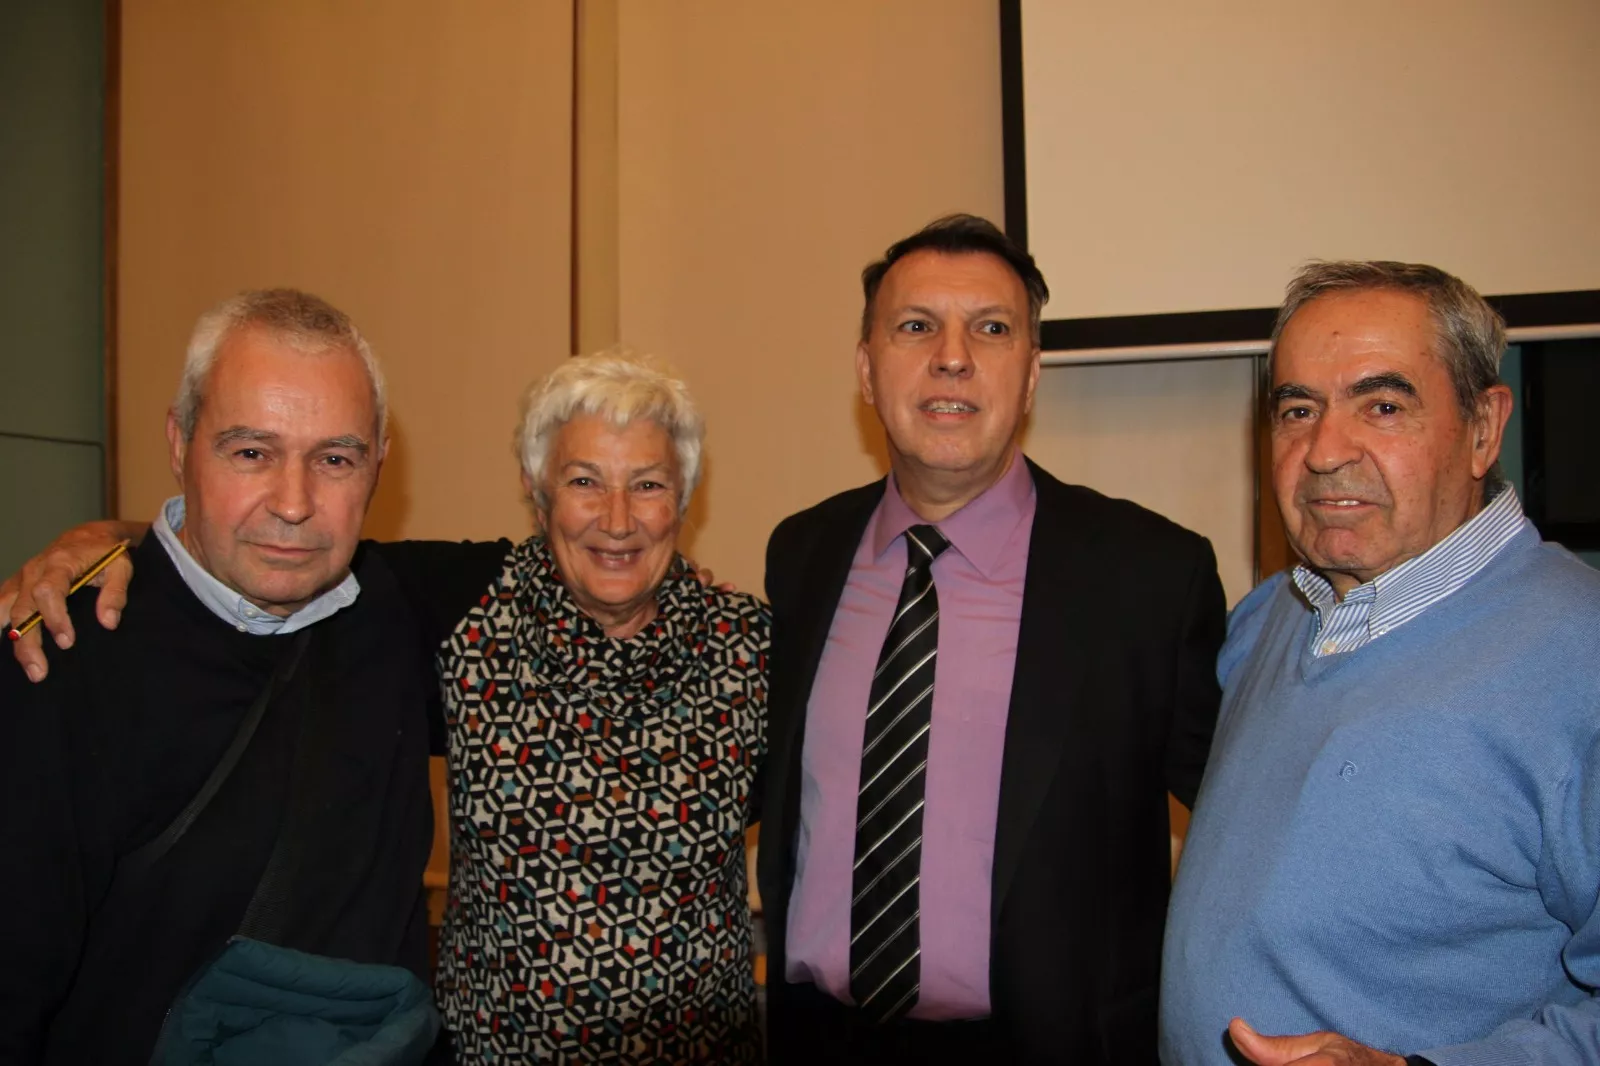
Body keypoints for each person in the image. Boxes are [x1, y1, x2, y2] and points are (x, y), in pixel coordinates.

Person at [5, 351, 769, 1063]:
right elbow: (271, 547)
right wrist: (106, 538)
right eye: (582, 481)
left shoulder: (755, 647)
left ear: (685, 497)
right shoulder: (458, 604)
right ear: (537, 493)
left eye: (648, 482)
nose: (616, 518)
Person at [757, 214, 1228, 1064]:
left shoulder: (1151, 577)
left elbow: (1243, 823)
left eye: (992, 329)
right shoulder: (801, 553)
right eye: (915, 327)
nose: (952, 357)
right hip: (818, 1036)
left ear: (1033, 372)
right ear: (867, 371)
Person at [1160, 261, 1600, 1066]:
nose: (1325, 451)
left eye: (1383, 405)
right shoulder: (1270, 619)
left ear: (1482, 428)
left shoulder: (1583, 660)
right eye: (1298, 409)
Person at [0, 289, 443, 1063]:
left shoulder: (397, 611)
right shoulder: (60, 660)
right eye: (250, 453)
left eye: (334, 459)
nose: (295, 504)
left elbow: (608, 550)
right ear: (179, 443)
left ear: (378, 464)